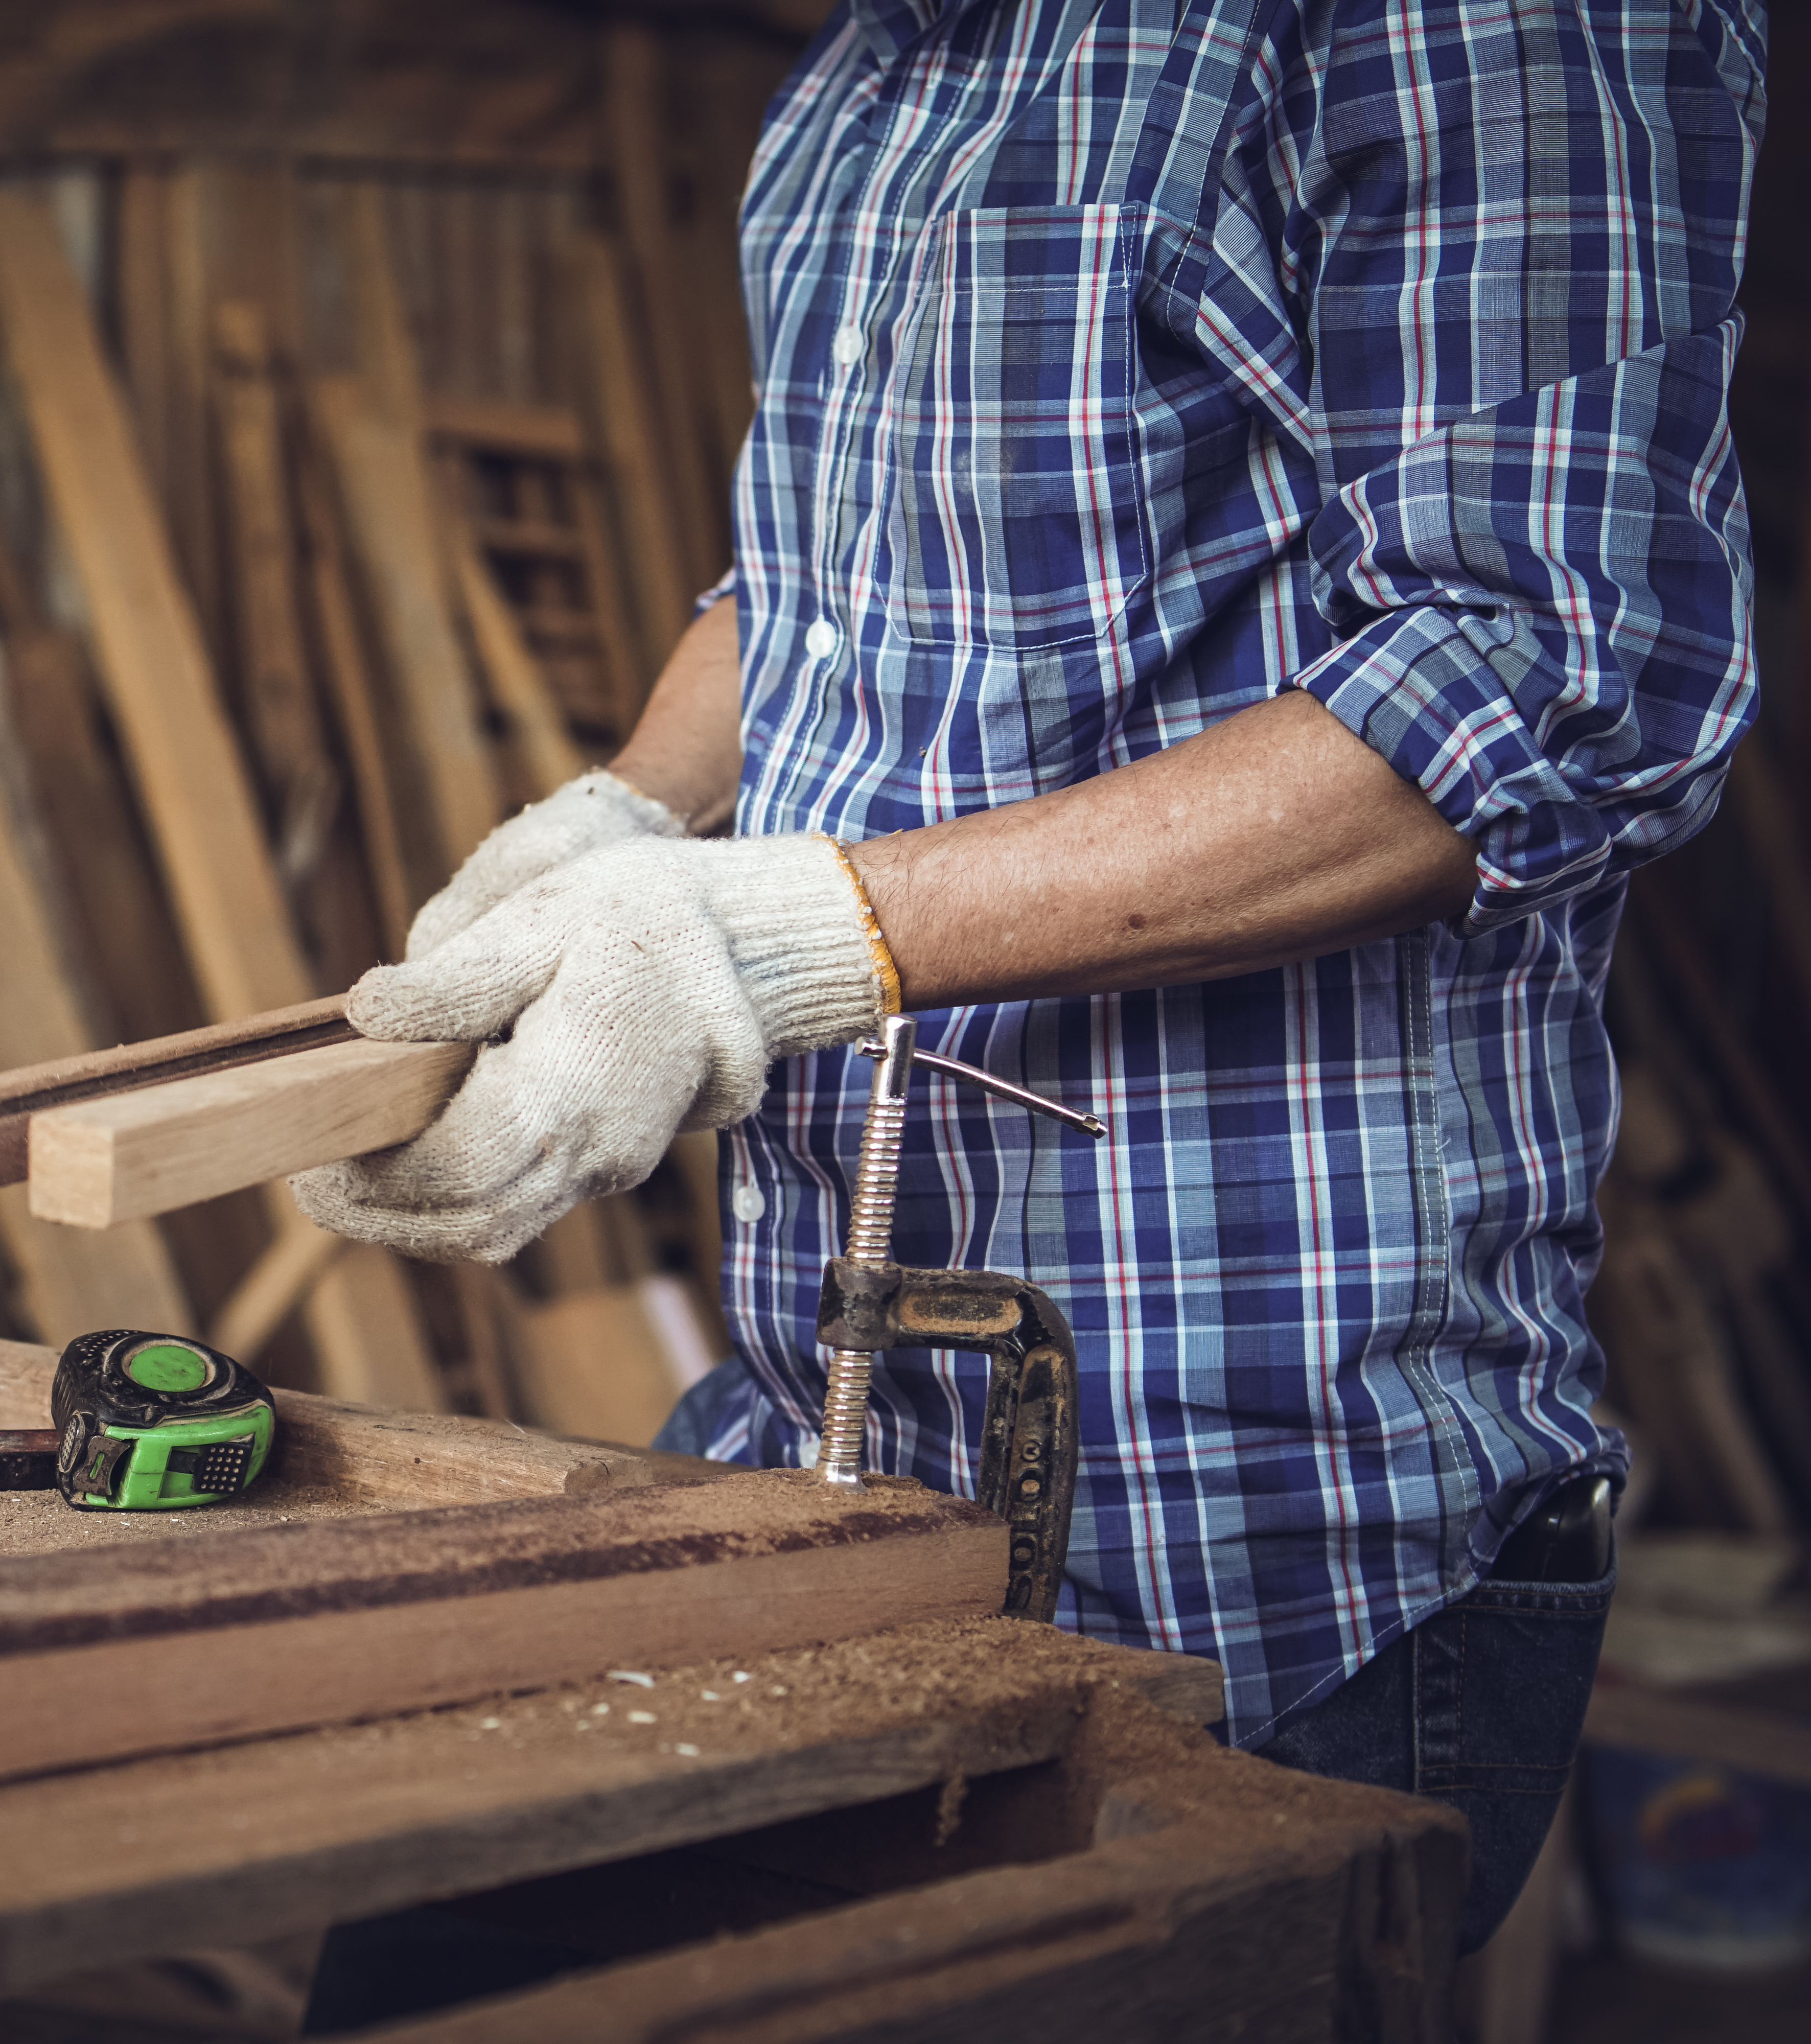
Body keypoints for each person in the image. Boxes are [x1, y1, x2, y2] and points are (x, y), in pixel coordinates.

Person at [294, 0, 1764, 1984]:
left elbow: (1549, 677)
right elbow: (816, 573)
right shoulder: (878, 70)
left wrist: (775, 934)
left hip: (1245, 1517)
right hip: (823, 1427)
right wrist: (627, 807)